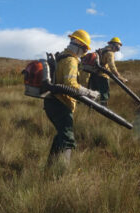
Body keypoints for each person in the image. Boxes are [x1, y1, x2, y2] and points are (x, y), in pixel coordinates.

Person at [44, 29, 99, 166]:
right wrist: (89, 93)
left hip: (53, 102)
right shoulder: (70, 60)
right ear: (79, 44)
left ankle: (49, 169)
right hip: (60, 103)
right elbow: (70, 85)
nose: (85, 52)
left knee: (61, 136)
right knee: (68, 139)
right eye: (85, 49)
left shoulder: (62, 56)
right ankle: (62, 173)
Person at [88, 37, 128, 106]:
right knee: (104, 94)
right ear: (114, 45)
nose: (118, 48)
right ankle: (104, 111)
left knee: (93, 94)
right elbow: (112, 66)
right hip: (102, 76)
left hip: (93, 75)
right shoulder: (110, 53)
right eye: (118, 46)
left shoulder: (102, 50)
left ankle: (91, 111)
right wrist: (119, 76)